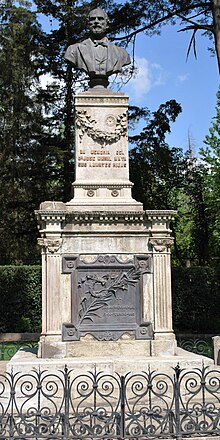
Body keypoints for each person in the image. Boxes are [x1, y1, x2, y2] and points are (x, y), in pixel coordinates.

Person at [65, 8, 131, 88]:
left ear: (107, 24)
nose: (96, 22)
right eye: (92, 19)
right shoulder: (74, 50)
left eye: (100, 19)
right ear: (88, 24)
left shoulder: (121, 53)